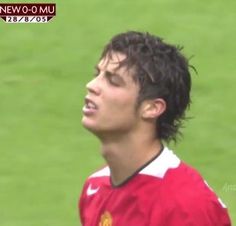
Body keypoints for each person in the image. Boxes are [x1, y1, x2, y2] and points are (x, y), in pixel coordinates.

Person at [79, 31, 231, 226]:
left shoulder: (185, 206)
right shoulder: (95, 188)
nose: (92, 85)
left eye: (113, 81)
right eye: (97, 74)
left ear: (151, 108)